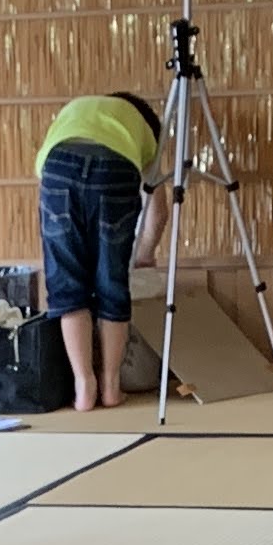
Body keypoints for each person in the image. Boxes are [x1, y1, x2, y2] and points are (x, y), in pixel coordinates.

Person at [35, 91, 169, 411]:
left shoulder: (75, 109)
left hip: (59, 166)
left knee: (67, 284)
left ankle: (83, 387)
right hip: (116, 168)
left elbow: (44, 182)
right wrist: (145, 253)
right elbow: (159, 210)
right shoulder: (145, 133)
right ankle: (111, 385)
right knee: (112, 280)